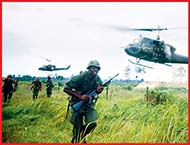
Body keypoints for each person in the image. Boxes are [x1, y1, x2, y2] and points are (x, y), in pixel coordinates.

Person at [63, 60, 104, 143]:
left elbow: (98, 89)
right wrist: (80, 96)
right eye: (93, 68)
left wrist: (99, 91)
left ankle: (83, 134)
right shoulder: (80, 77)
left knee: (92, 123)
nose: (95, 70)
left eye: (97, 68)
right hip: (77, 104)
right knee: (77, 128)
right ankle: (78, 139)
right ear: (88, 68)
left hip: (89, 105)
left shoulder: (97, 79)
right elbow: (66, 88)